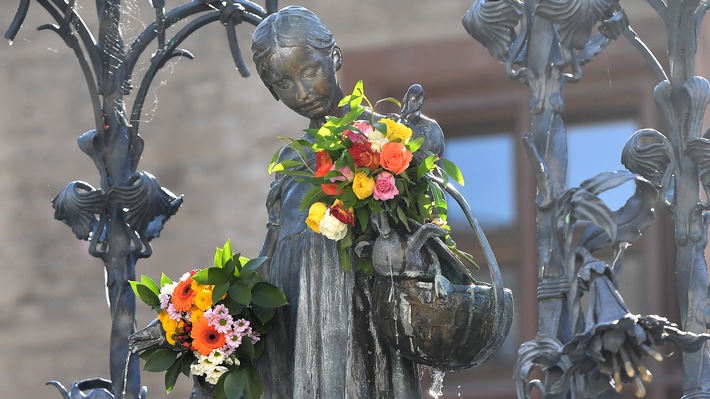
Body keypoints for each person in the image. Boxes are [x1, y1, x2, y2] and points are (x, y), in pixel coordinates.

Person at [251, 6, 422, 398]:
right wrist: (215, 311)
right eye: (283, 82)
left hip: (349, 313)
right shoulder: (290, 163)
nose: (303, 92)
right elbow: (270, 250)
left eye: (309, 71)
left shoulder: (383, 138)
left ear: (335, 57)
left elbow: (413, 243)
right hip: (290, 312)